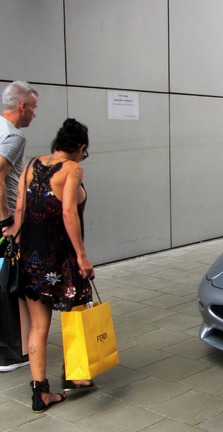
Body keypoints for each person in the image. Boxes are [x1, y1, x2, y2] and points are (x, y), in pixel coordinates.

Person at [12, 118, 95, 413]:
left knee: (38, 326)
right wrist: (82, 256)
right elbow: (69, 212)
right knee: (75, 314)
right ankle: (77, 374)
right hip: (61, 258)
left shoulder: (32, 164)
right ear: (80, 148)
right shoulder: (72, 169)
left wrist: (14, 238)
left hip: (32, 258)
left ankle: (40, 392)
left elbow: (20, 208)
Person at [0, 81, 39, 373]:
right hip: (6, 224)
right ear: (22, 106)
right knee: (13, 283)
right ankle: (15, 352)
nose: (34, 115)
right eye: (34, 108)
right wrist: (7, 221)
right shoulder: (14, 137)